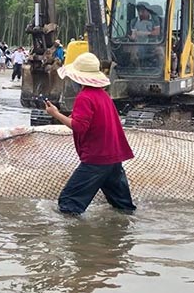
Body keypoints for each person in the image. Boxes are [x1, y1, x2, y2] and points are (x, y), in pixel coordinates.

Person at [42, 52, 136, 215]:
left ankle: (75, 238)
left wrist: (55, 113)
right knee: (123, 206)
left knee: (69, 202)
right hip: (113, 158)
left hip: (96, 159)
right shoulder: (103, 96)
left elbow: (79, 127)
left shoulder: (84, 97)